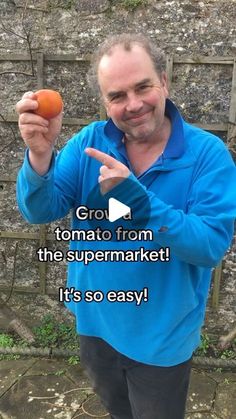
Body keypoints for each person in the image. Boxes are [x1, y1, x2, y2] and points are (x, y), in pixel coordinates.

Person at [16, 33, 236, 419]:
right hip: (96, 323)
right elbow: (41, 209)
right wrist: (39, 154)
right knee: (118, 412)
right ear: (104, 102)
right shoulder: (90, 143)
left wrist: (141, 204)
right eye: (117, 95)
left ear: (164, 82)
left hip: (161, 339)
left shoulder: (207, 156)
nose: (133, 105)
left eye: (143, 87)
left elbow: (209, 246)